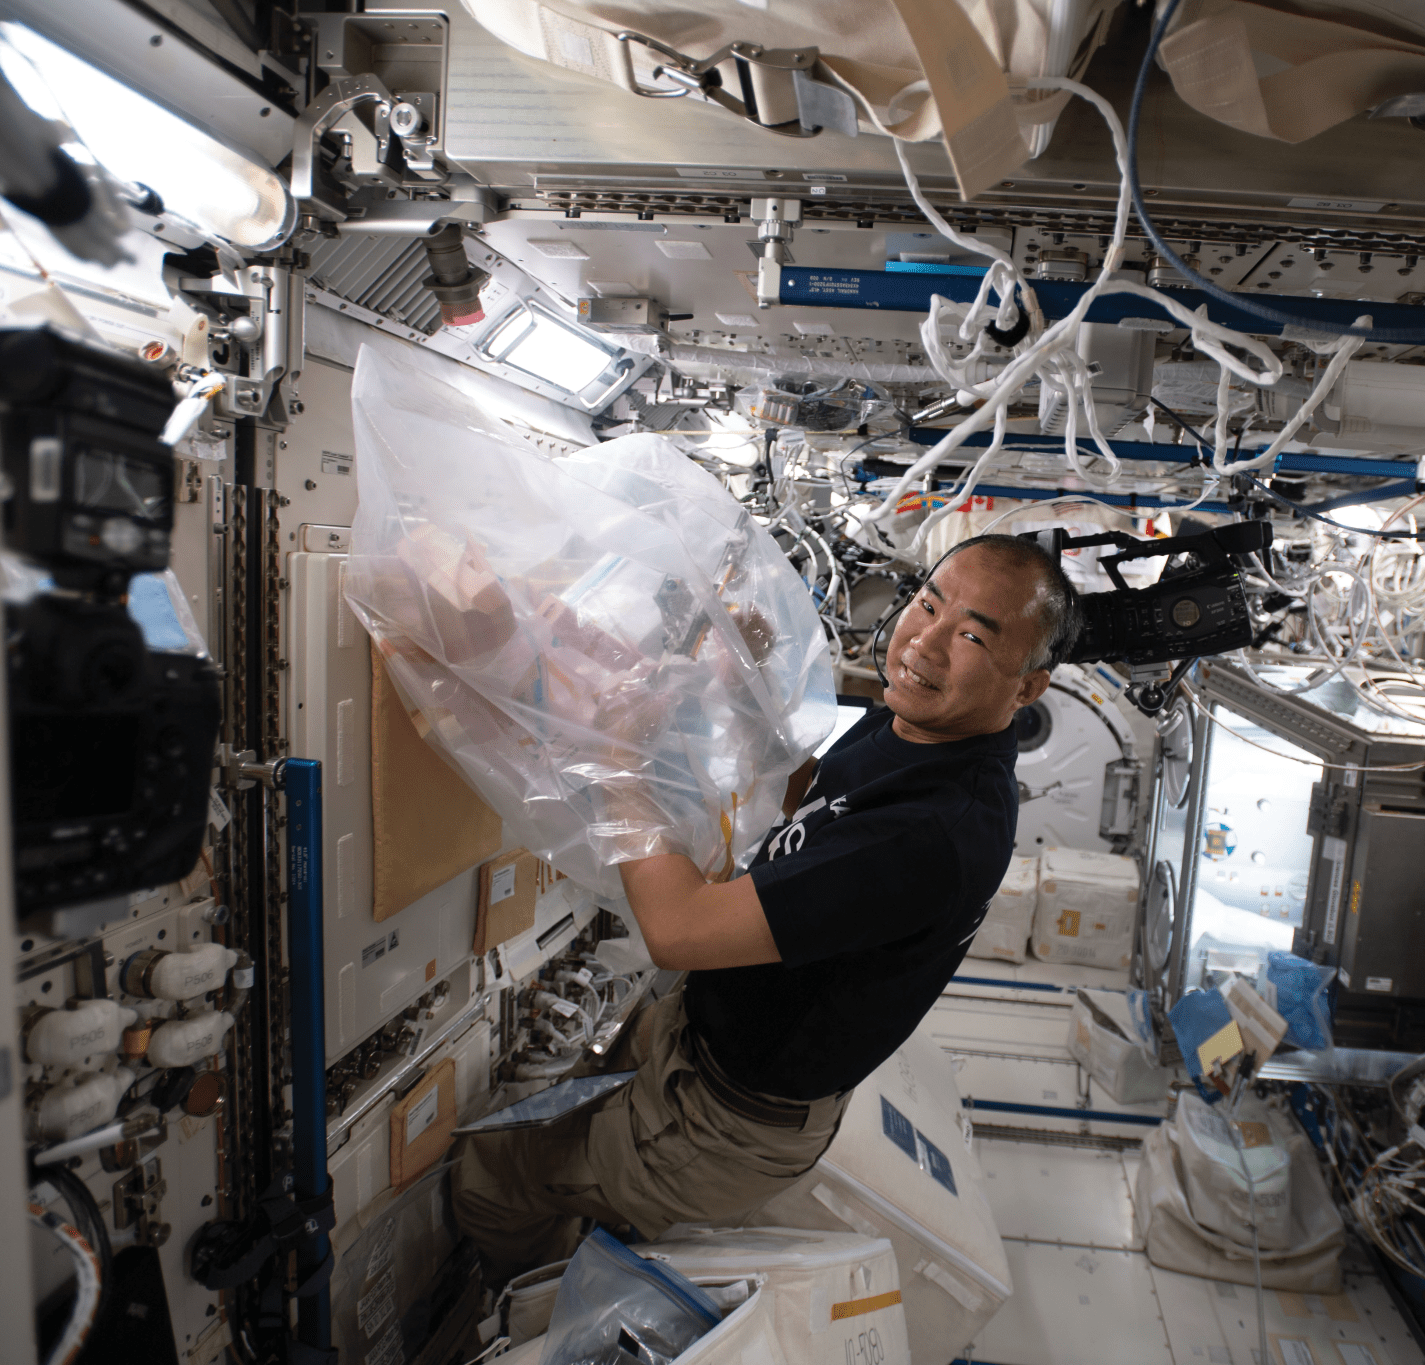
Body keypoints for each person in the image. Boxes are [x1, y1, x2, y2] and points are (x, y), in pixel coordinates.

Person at [451, 533, 1082, 1278]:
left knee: (494, 1174)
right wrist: (737, 680)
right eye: (927, 602)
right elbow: (814, 793)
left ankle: (521, 1311)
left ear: (1028, 687)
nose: (926, 643)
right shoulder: (919, 725)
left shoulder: (935, 832)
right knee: (552, 1135)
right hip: (701, 1038)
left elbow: (678, 930)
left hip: (721, 1121)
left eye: (973, 633)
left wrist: (617, 765)